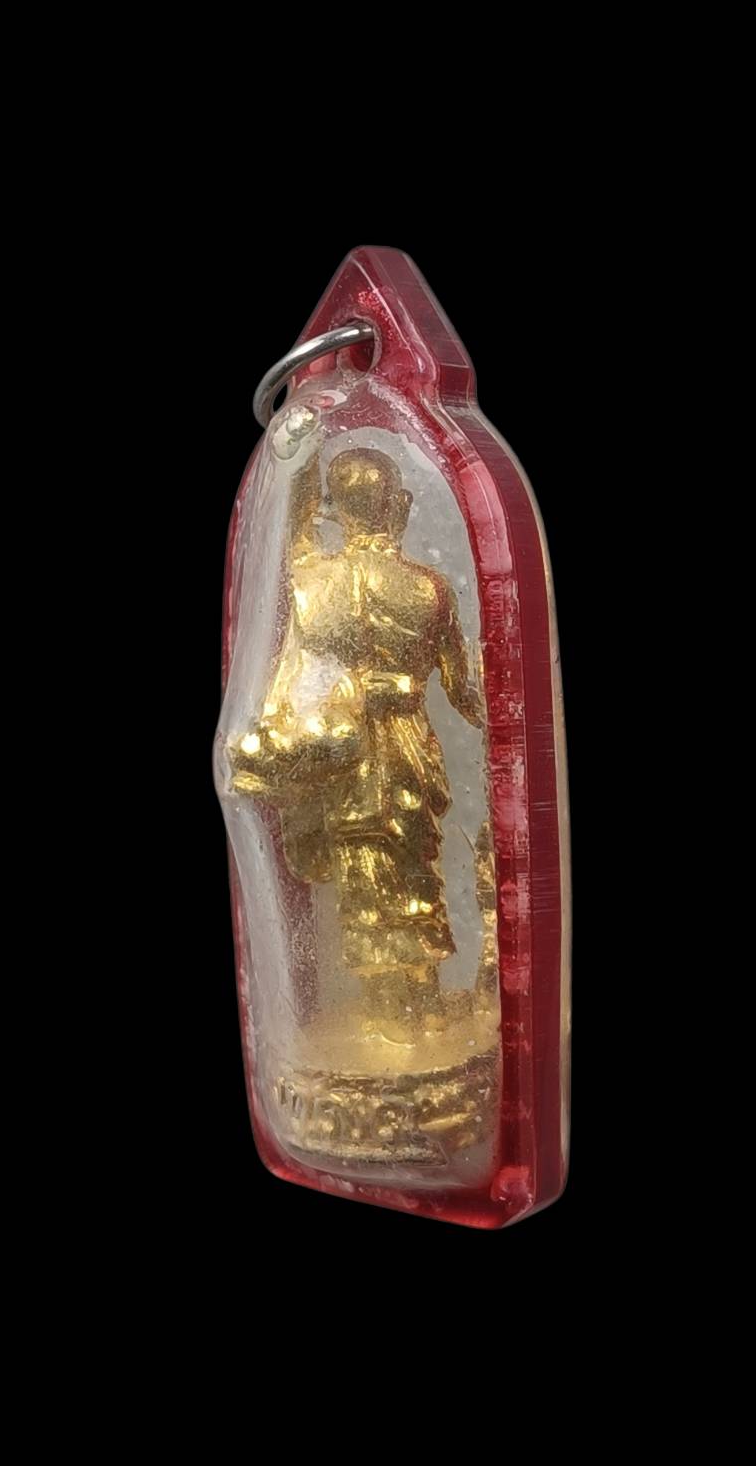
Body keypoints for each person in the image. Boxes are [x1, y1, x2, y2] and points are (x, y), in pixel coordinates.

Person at [228, 416, 482, 1043]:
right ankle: (418, 1003)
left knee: (364, 870)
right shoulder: (429, 588)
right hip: (408, 745)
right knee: (414, 863)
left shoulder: (314, 583)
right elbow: (468, 694)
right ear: (398, 503)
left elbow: (292, 535)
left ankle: (387, 1009)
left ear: (339, 511)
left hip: (344, 752)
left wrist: (300, 451)